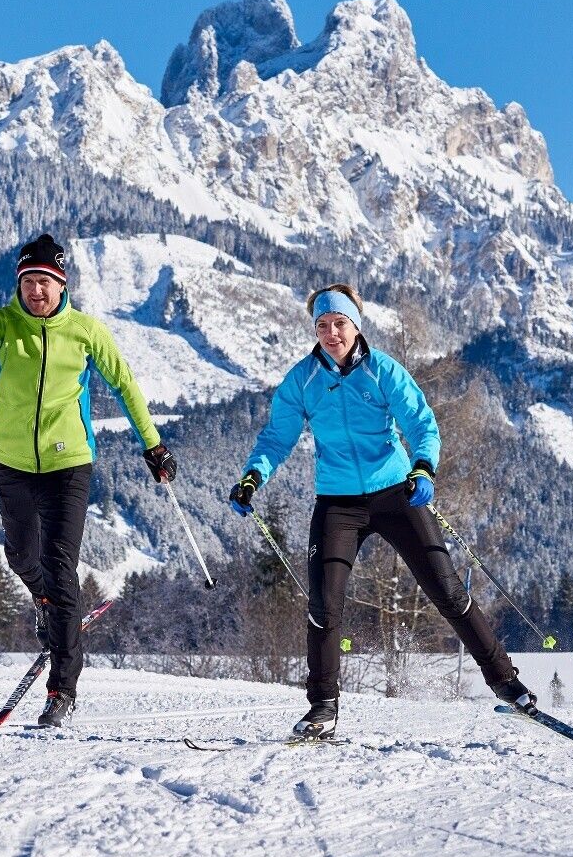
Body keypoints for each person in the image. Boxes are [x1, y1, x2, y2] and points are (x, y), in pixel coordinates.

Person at [227, 284, 535, 739]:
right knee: (324, 605)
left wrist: (423, 468)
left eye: (340, 323)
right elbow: (277, 437)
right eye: (322, 325)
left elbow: (421, 424)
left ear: (356, 326)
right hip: (337, 503)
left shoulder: (383, 370)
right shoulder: (303, 380)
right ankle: (323, 708)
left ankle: (507, 683)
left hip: (395, 494)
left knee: (448, 592)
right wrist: (253, 476)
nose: (331, 333)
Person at [0, 234, 174, 727]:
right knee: (21, 556)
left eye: (45, 281)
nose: (36, 291)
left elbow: (125, 384)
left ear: (62, 284)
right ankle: (46, 603)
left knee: (60, 567)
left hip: (69, 465)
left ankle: (61, 691)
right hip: (12, 463)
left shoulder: (86, 331)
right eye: (28, 281)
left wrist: (152, 445)